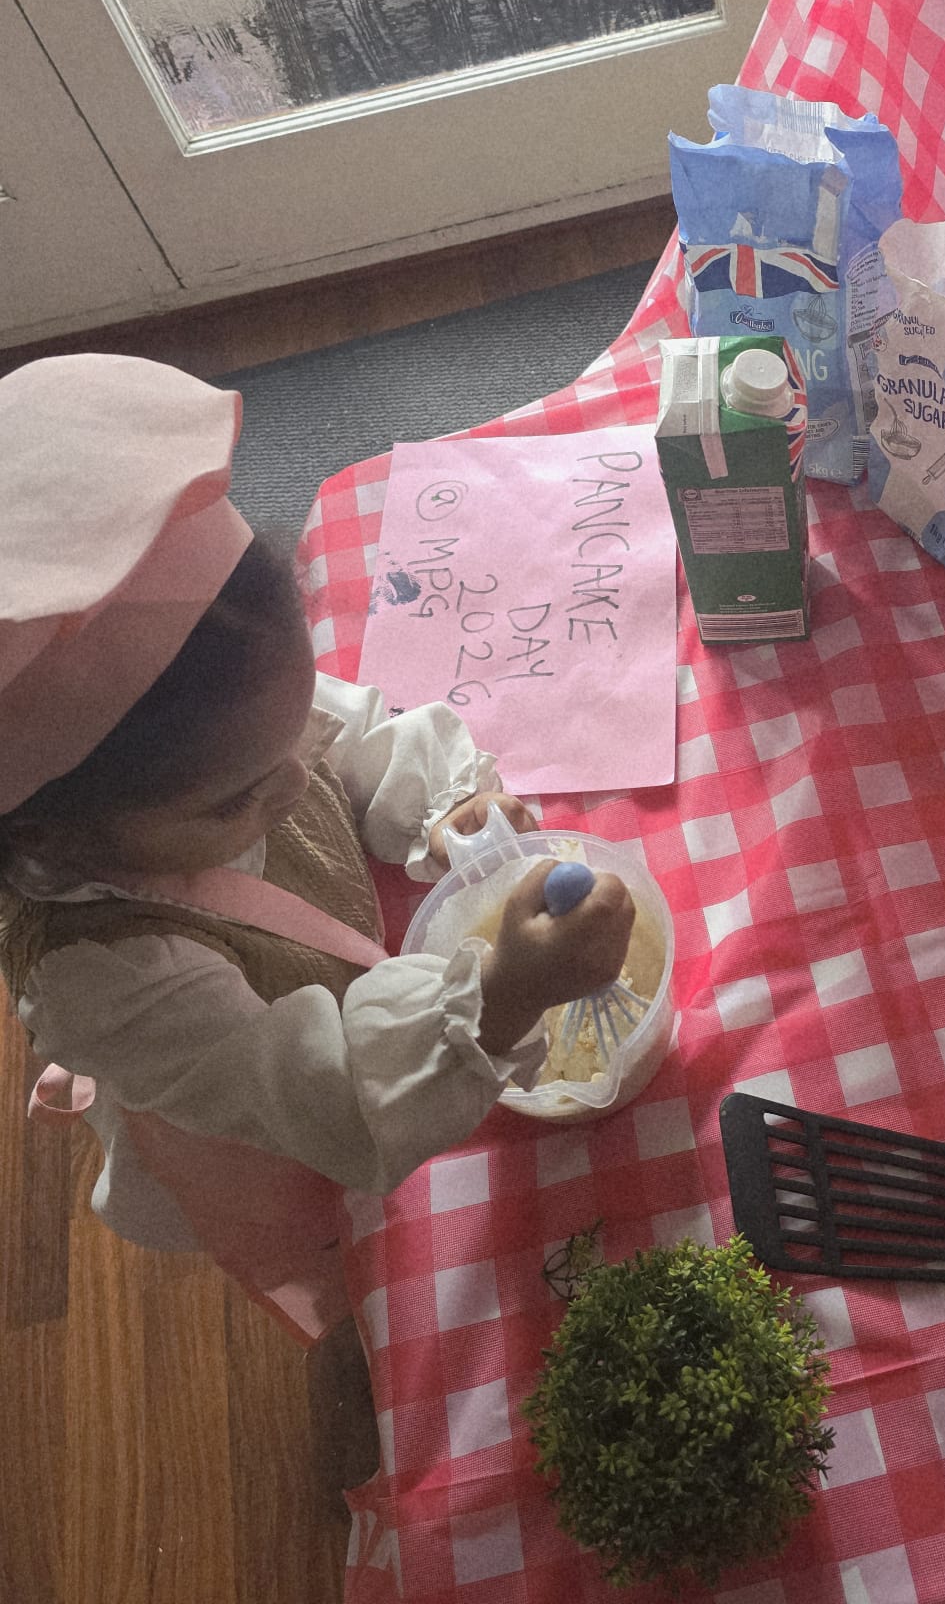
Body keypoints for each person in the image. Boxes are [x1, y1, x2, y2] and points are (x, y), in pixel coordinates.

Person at [0, 353, 635, 1341]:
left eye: (285, 730)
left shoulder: (228, 727)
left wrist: (439, 802)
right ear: (52, 832)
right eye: (238, 798)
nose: (296, 783)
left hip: (340, 965)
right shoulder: (107, 977)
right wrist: (502, 990)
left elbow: (347, 727)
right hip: (265, 1105)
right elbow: (331, 1098)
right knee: (331, 1213)